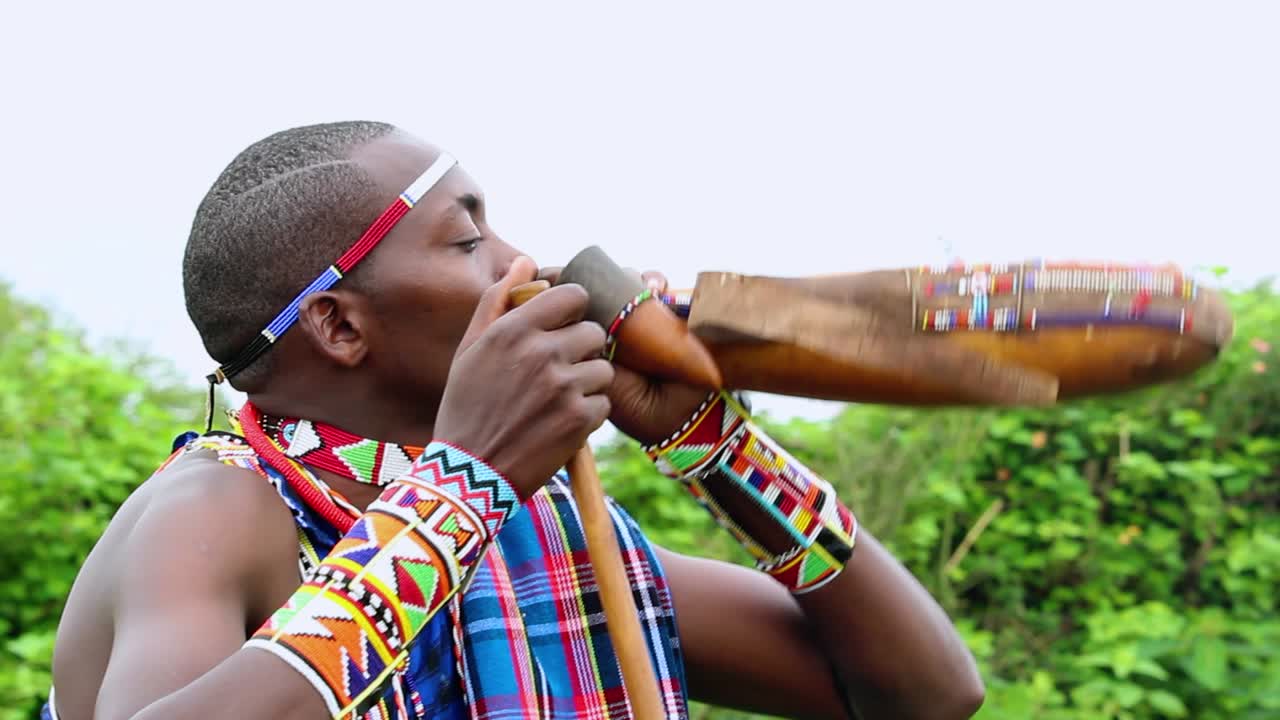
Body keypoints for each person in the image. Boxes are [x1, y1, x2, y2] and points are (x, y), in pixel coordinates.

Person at [46, 121, 984, 720]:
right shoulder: (215, 510)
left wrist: (714, 445)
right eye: (467, 240)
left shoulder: (535, 530)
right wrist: (459, 486)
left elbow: (925, 695)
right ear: (337, 324)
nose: (520, 264)